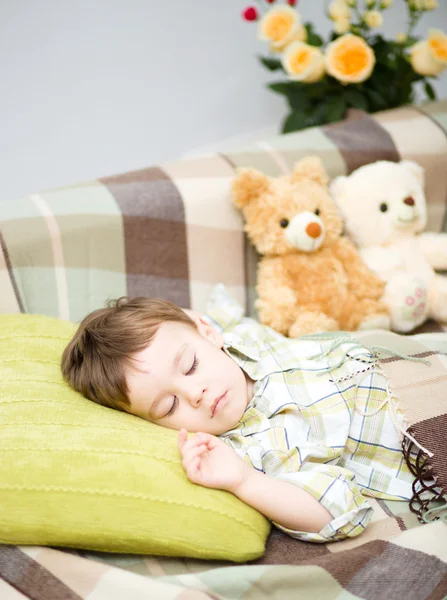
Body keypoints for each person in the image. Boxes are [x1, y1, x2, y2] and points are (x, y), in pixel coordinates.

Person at [61, 285, 423, 543]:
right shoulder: (256, 449)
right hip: (424, 429)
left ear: (207, 332)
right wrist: (244, 481)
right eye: (169, 406)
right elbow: (337, 510)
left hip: (413, 356)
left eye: (190, 366)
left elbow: (213, 315)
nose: (195, 394)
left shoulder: (241, 339)